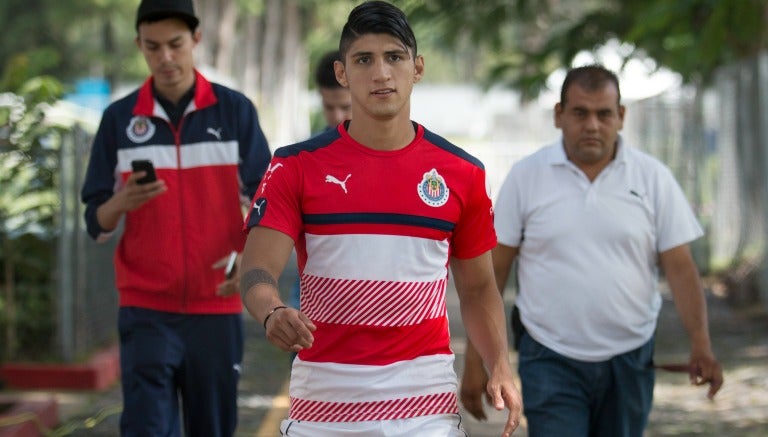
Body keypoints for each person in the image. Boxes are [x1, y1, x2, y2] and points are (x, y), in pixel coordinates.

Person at [239, 1, 522, 436]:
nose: (381, 73)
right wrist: (272, 311)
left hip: (425, 407)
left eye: (394, 57)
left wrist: (498, 363)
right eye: (364, 60)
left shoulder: (462, 173)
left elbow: (479, 287)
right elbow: (257, 269)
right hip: (324, 406)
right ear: (342, 73)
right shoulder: (294, 165)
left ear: (418, 68)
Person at [460, 64, 724, 437]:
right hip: (549, 356)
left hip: (630, 359)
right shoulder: (527, 177)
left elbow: (681, 268)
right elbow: (492, 274)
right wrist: (478, 361)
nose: (593, 125)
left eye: (604, 114)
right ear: (559, 115)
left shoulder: (653, 178)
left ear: (621, 116)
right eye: (580, 113)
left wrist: (702, 345)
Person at [80, 0, 271, 435]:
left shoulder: (235, 111)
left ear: (196, 40)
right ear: (139, 47)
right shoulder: (118, 120)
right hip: (145, 309)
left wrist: (249, 257)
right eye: (153, 47)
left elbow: (266, 200)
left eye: (175, 44)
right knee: (147, 428)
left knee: (213, 427)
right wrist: (121, 202)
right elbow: (95, 222)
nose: (165, 57)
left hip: (216, 307)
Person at [288, 49, 353, 310]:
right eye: (329, 107)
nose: (337, 117)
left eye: (346, 107)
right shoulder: (302, 159)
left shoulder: (396, 155)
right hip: (311, 305)